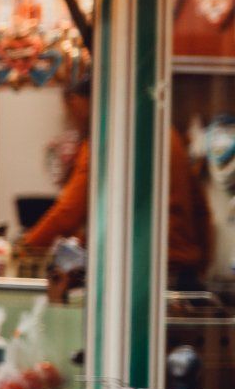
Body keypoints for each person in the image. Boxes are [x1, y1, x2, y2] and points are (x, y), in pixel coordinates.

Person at [24, 74, 208, 284]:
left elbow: (69, 211)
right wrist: (200, 266)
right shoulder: (168, 133)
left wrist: (27, 248)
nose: (72, 118)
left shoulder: (107, 138)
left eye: (69, 108)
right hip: (183, 274)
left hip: (142, 274)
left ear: (77, 100)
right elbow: (200, 209)